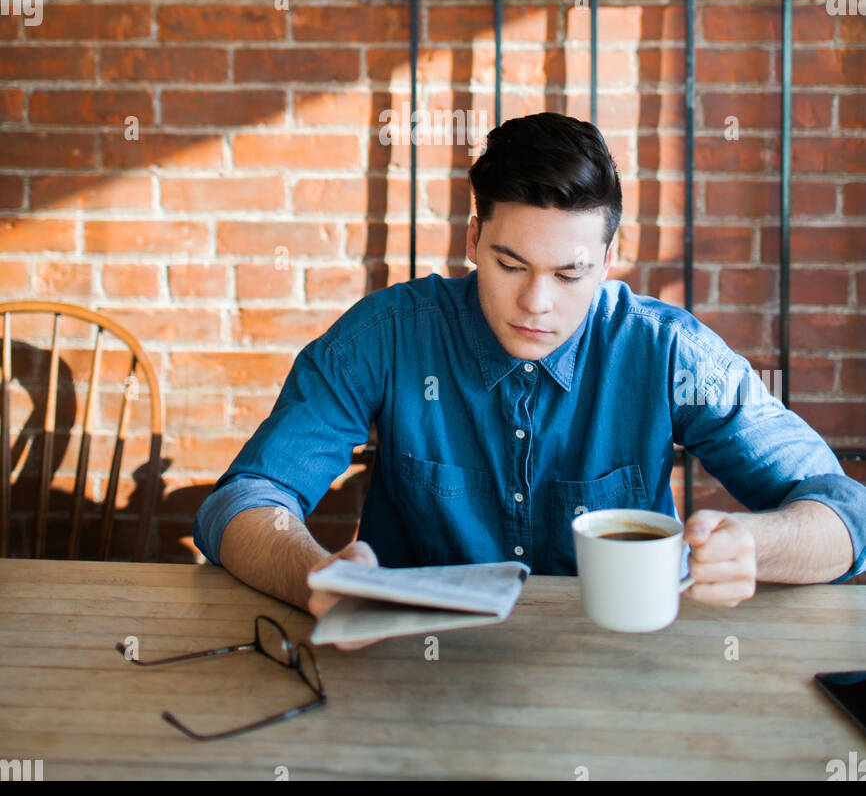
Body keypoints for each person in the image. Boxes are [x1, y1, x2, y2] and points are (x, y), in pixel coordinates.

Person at [194, 113, 866, 650]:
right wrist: (312, 573)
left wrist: (758, 544)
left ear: (607, 260)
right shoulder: (388, 334)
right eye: (510, 265)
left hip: (622, 675)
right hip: (416, 673)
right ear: (472, 238)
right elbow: (245, 500)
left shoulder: (666, 350)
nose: (536, 303)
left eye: (569, 275)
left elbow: (845, 511)